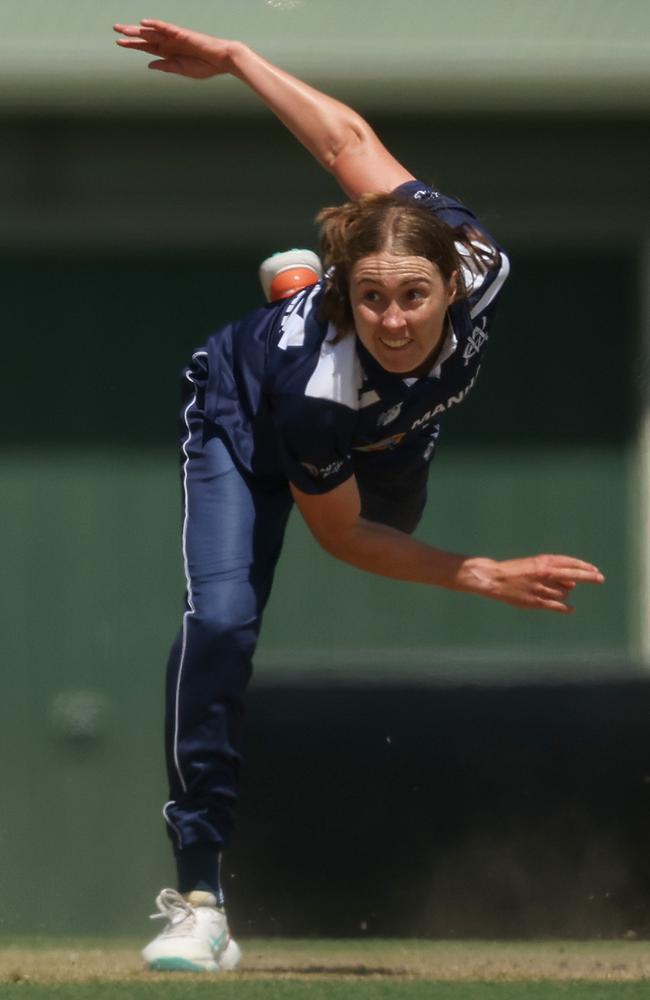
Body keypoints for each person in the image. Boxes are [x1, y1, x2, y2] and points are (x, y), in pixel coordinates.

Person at [114, 19, 605, 973]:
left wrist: (239, 60)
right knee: (220, 623)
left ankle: (294, 286)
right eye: (370, 296)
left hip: (387, 427)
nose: (392, 318)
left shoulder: (479, 260)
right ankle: (201, 898)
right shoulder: (318, 392)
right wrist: (482, 571)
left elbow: (345, 143)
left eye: (412, 296)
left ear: (452, 285)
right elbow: (344, 540)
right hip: (251, 420)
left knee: (395, 487)